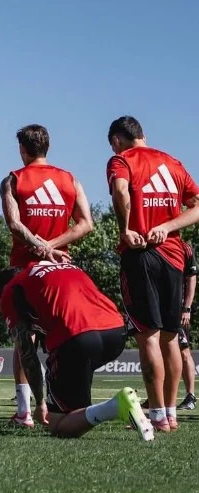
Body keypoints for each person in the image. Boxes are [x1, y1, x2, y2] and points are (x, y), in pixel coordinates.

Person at [106, 115, 199, 431]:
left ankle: (156, 414)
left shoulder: (121, 160)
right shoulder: (172, 162)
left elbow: (120, 192)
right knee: (171, 339)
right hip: (174, 257)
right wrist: (169, 226)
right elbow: (197, 206)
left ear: (118, 140)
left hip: (140, 255)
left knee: (148, 337)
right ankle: (170, 414)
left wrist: (125, 230)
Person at [0, 124, 93, 427]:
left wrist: (41, 247)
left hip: (25, 269)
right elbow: (85, 224)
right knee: (59, 337)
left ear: (22, 150)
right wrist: (52, 247)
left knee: (23, 339)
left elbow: (13, 224)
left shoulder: (13, 179)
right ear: (47, 147)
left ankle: (26, 410)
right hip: (60, 269)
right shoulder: (70, 180)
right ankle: (64, 404)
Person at [0, 261, 154, 441]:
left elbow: (27, 354)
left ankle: (116, 406)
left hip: (77, 338)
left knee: (57, 425)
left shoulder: (11, 289)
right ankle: (108, 409)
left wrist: (40, 403)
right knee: (77, 413)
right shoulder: (63, 267)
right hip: (116, 332)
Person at [177, 240, 196, 410]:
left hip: (178, 309)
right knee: (162, 352)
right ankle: (157, 396)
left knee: (183, 350)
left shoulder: (185, 247)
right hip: (160, 309)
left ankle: (190, 396)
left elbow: (191, 278)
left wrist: (186, 308)